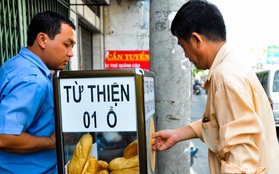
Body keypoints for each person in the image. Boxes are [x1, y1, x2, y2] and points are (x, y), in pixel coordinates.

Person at [152, 0, 279, 173]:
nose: (186, 55)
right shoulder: (233, 64)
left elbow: (240, 159)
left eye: (183, 47)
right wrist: (176, 135)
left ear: (197, 40)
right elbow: (219, 123)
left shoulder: (224, 77)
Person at [0, 11, 76, 173]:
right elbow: (5, 138)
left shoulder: (15, 64)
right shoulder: (32, 80)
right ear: (42, 39)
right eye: (66, 45)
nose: (71, 53)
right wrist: (51, 141)